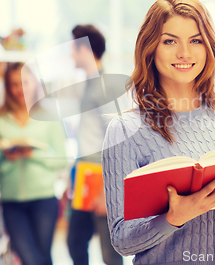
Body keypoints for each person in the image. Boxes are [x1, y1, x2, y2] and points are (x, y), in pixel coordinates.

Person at [101, 0, 215, 265]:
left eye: (195, 40)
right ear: (150, 48)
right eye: (170, 41)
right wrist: (175, 217)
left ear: (208, 47)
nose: (184, 53)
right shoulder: (125, 130)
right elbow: (122, 240)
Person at [0, 62, 67, 265]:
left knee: (42, 258)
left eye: (24, 82)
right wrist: (8, 158)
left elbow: (61, 159)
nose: (19, 89)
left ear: (35, 83)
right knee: (30, 259)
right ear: (7, 87)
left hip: (44, 199)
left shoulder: (49, 117)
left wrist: (32, 154)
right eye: (14, 84)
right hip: (12, 202)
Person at [67, 25, 124, 265]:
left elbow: (116, 139)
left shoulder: (106, 85)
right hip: (84, 174)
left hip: (100, 177)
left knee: (109, 252)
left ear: (84, 49)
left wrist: (105, 191)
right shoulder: (91, 83)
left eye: (73, 48)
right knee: (75, 242)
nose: (70, 54)